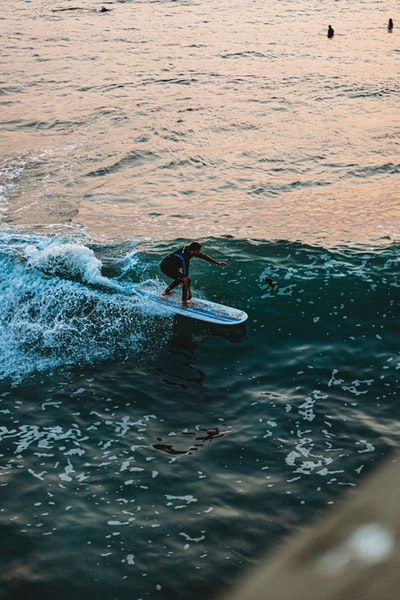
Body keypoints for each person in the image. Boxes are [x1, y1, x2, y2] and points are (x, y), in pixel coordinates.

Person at [160, 242, 227, 307]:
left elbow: (204, 256)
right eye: (198, 251)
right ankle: (184, 303)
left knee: (180, 279)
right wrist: (189, 292)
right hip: (166, 267)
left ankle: (166, 292)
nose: (199, 252)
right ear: (192, 251)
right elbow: (186, 278)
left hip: (172, 265)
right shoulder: (184, 258)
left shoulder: (190, 250)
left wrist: (217, 263)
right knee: (185, 280)